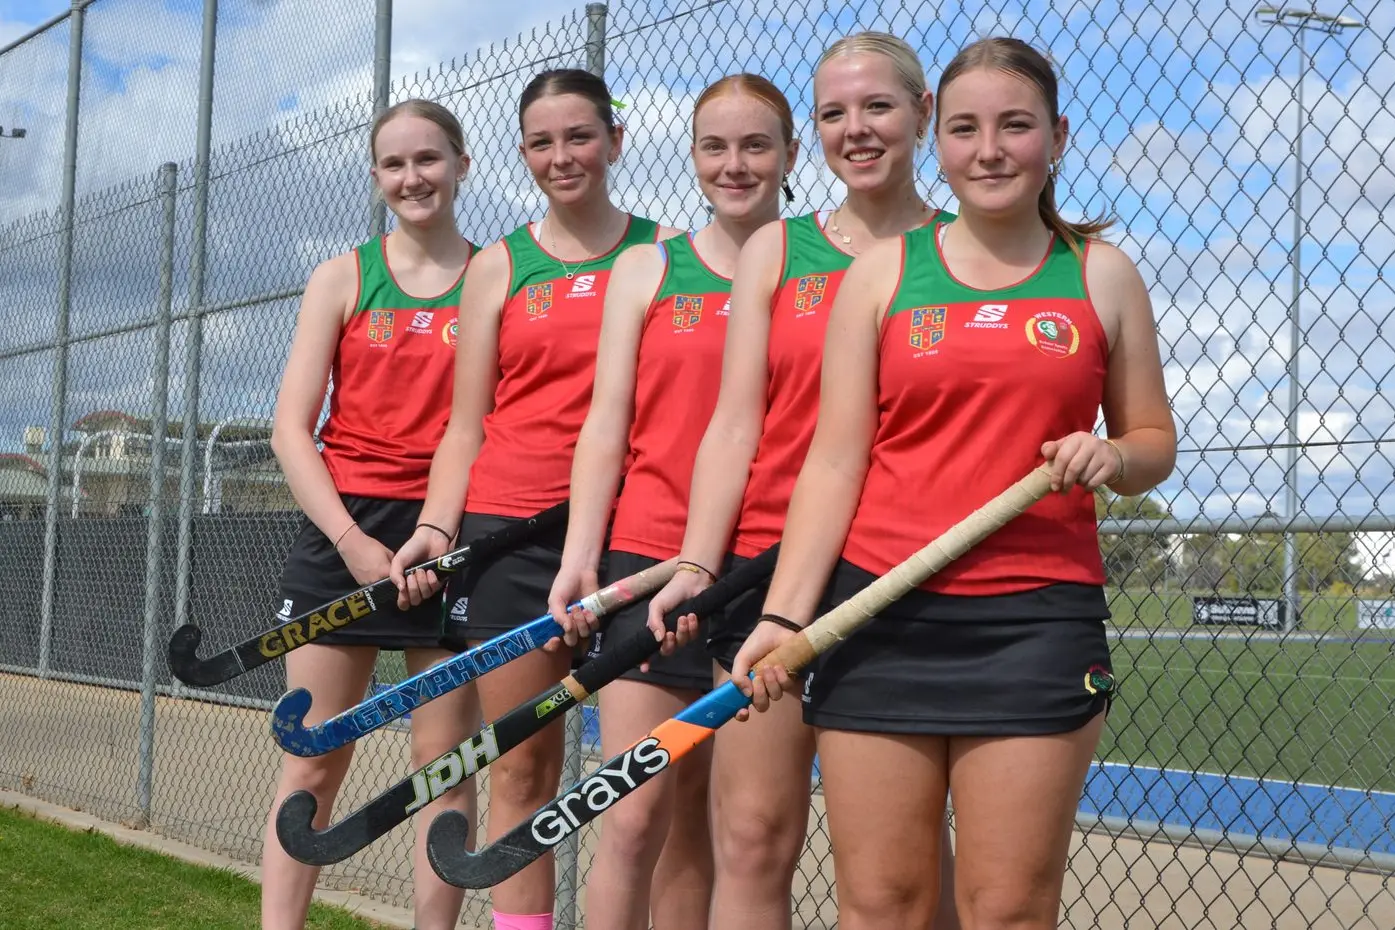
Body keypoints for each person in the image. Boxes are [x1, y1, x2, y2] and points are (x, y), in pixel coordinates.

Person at [732, 36, 1178, 929]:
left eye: (1015, 126)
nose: (989, 150)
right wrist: (783, 617)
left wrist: (1114, 459)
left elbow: (1151, 440)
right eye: (966, 129)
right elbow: (835, 462)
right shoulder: (883, 274)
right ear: (938, 140)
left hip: (1033, 623)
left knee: (1006, 906)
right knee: (882, 903)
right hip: (877, 614)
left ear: (1056, 136)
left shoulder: (1099, 273)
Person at [644, 32, 960, 930]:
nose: (855, 130)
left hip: (896, 575)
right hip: (768, 575)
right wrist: (696, 562)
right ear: (812, 132)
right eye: (833, 113)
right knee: (750, 835)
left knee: (911, 865)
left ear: (921, 115)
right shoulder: (778, 250)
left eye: (877, 107)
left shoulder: (963, 247)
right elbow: (733, 424)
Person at [389, 69, 681, 930]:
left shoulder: (670, 252)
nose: (562, 157)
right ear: (521, 154)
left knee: (649, 789)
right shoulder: (497, 267)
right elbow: (465, 424)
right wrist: (437, 526)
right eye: (542, 143)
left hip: (635, 535)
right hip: (513, 539)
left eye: (580, 136)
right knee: (520, 769)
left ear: (615, 141)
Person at [544, 73, 800, 930]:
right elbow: (605, 425)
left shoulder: (823, 267)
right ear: (691, 156)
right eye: (714, 147)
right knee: (634, 814)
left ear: (790, 154)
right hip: (651, 559)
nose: (735, 165)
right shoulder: (650, 268)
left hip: (767, 567)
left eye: (755, 145)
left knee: (724, 824)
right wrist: (581, 556)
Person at [262, 99, 480, 930]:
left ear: (461, 164)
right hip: (343, 531)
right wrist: (351, 541)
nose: (412, 178)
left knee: (443, 766)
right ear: (376, 176)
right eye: (394, 164)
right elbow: (291, 430)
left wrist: (441, 529)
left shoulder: (495, 275)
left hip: (452, 529)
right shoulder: (342, 277)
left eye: (428, 159)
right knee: (312, 760)